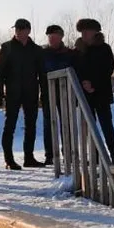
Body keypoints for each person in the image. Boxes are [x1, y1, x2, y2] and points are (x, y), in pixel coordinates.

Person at [0, 18, 47, 170]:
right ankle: (9, 160)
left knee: (31, 125)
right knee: (9, 126)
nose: (18, 32)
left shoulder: (36, 50)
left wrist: (43, 94)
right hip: (12, 92)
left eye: (21, 29)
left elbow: (42, 75)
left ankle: (29, 157)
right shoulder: (6, 47)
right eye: (16, 29)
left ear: (28, 30)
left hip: (31, 92)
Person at [73, 18, 114, 165]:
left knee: (107, 126)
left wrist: (93, 83)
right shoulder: (78, 50)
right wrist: (83, 82)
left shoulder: (104, 48)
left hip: (101, 93)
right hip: (85, 95)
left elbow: (108, 68)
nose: (84, 34)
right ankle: (95, 157)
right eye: (82, 31)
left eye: (87, 31)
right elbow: (75, 69)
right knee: (90, 127)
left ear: (95, 32)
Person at [41, 24, 75, 165]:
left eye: (54, 37)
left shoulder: (69, 53)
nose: (52, 39)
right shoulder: (42, 53)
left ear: (61, 37)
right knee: (48, 123)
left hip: (65, 92)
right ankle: (50, 154)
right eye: (50, 37)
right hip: (47, 92)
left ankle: (68, 151)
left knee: (66, 123)